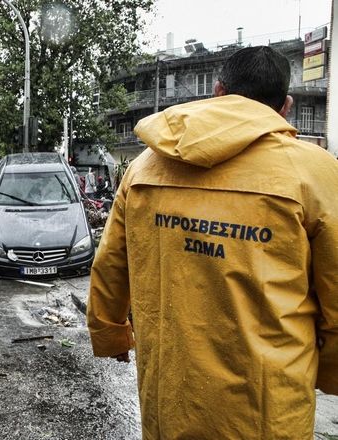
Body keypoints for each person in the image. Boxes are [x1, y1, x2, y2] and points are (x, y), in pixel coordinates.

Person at [87, 46, 337, 439]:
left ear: (218, 92)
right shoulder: (314, 171)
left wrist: (109, 332)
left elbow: (111, 264)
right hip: (267, 411)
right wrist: (329, 371)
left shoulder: (144, 166)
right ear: (285, 106)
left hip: (170, 400)